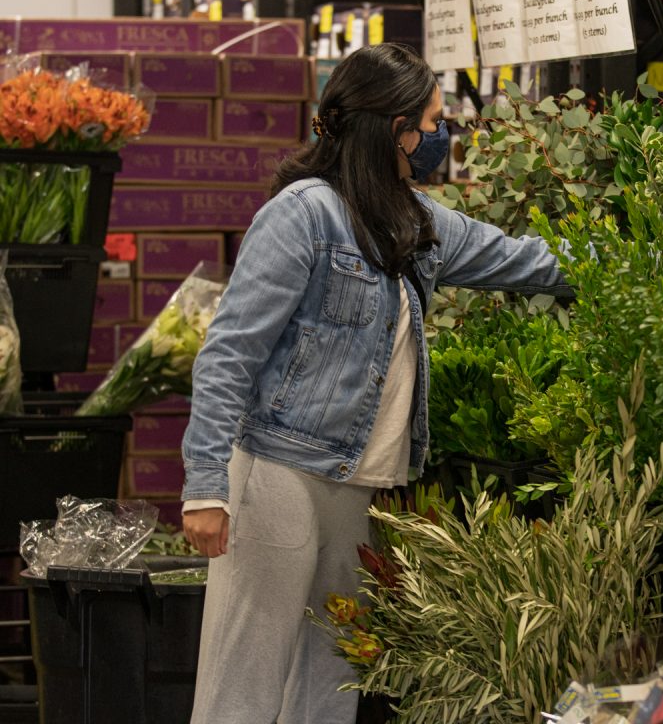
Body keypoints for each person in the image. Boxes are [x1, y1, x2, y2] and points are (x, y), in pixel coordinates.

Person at [181, 43, 573, 724]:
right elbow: (230, 353)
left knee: (332, 672)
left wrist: (651, 254)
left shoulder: (411, 220)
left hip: (353, 481)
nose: (439, 137)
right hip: (278, 472)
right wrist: (205, 487)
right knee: (247, 676)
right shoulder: (303, 214)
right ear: (395, 129)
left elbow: (523, 261)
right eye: (431, 121)